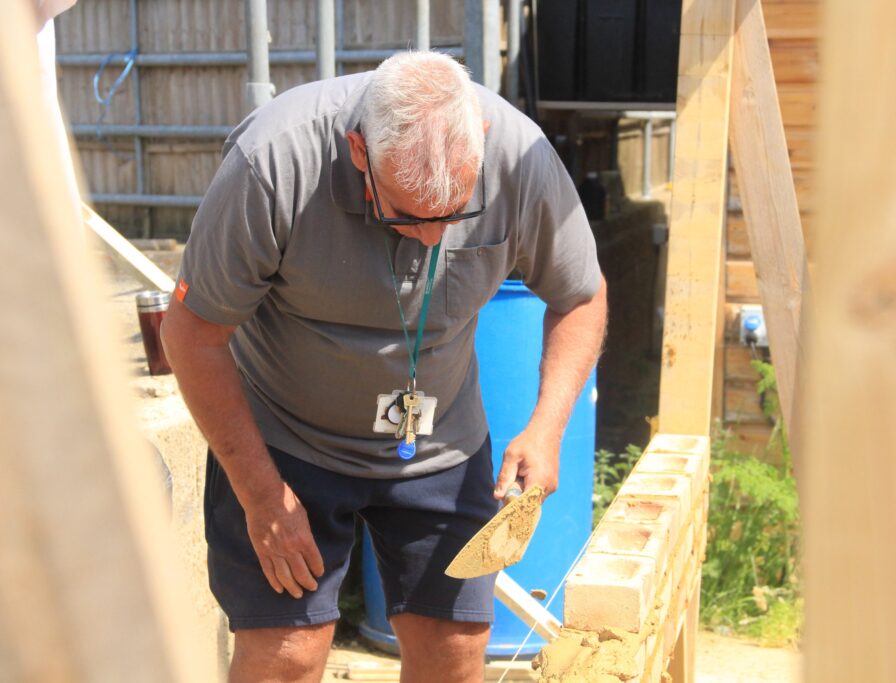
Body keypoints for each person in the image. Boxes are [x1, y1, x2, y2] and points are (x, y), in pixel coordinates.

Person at [162, 50, 606, 683]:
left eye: (454, 214)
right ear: (358, 151)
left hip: (440, 442)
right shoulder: (274, 161)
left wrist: (547, 428)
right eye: (406, 215)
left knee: (454, 647)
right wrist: (260, 495)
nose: (431, 238)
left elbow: (581, 296)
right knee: (288, 653)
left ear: (480, 140)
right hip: (286, 440)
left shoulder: (519, 156)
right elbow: (192, 333)